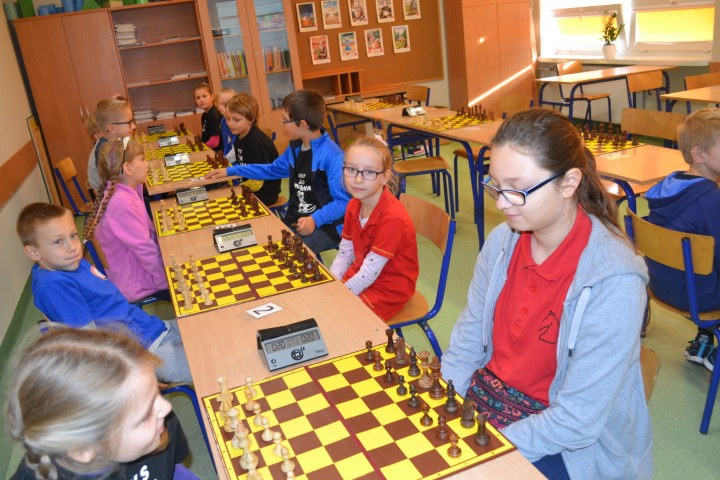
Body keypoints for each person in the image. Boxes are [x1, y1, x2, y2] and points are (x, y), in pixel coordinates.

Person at [441, 108, 652, 479]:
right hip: (490, 400)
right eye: (495, 186)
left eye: (517, 189)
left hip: (566, 441)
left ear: (569, 183)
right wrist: (446, 401)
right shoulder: (501, 243)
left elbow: (576, 422)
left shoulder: (614, 279)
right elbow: (467, 343)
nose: (501, 202)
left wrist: (483, 450)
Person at [16, 202, 192, 384]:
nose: (72, 247)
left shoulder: (71, 263)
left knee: (208, 325)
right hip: (144, 354)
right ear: (34, 252)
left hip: (150, 329)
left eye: (73, 235)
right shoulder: (54, 286)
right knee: (208, 358)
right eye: (58, 242)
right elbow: (88, 343)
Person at [6, 327, 198, 480]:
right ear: (83, 450)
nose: (166, 407)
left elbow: (174, 471)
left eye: (157, 392)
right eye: (145, 415)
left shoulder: (160, 424)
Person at [206, 89, 350, 255]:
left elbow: (343, 202)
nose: (283, 124)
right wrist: (231, 171)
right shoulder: (296, 148)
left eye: (285, 120)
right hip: (296, 219)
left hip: (327, 226)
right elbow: (271, 169)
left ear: (302, 124)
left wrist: (315, 219)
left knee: (283, 255)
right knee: (262, 245)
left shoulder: (333, 156)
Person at [645, 108, 720, 372]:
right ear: (699, 155)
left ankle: (703, 341)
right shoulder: (712, 201)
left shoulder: (666, 188)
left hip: (662, 285)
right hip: (699, 298)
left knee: (701, 260)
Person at [330, 135, 418, 320]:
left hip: (389, 289)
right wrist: (333, 285)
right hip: (363, 273)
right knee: (327, 306)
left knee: (341, 318)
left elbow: (370, 272)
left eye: (369, 172)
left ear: (385, 177)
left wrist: (339, 296)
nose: (358, 179)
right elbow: (345, 253)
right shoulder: (353, 205)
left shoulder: (392, 218)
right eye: (351, 169)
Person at [84, 138, 167, 302]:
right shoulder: (121, 203)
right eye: (142, 159)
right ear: (128, 168)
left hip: (136, 270)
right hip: (136, 281)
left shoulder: (124, 191)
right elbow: (145, 249)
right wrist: (166, 281)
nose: (147, 164)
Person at [222, 93, 281, 206]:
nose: (230, 123)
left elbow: (257, 182)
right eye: (228, 118)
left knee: (225, 204)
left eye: (236, 120)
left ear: (251, 119)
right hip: (249, 186)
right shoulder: (239, 137)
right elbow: (241, 167)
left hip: (264, 193)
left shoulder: (256, 142)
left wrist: (236, 188)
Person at [86, 97, 136, 193]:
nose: (134, 126)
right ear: (112, 129)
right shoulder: (106, 150)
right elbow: (120, 182)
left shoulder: (112, 143)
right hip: (110, 196)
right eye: (129, 123)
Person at [194, 83, 222, 151]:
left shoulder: (213, 115)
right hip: (209, 150)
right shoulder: (204, 115)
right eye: (198, 98)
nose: (201, 100)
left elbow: (214, 142)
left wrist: (200, 149)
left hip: (217, 153)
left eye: (204, 96)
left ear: (212, 97)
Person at [217, 87, 237, 157]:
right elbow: (226, 145)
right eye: (223, 104)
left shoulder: (238, 123)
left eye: (230, 102)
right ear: (217, 107)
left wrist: (225, 160)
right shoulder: (223, 121)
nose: (226, 106)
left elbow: (236, 150)